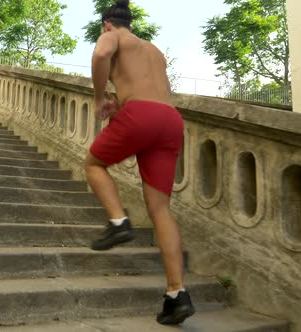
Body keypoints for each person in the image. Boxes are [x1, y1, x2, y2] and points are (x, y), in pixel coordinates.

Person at [86, 0, 195, 325]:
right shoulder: (155, 51)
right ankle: (177, 294)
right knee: (160, 210)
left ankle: (119, 222)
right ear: (130, 22)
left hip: (141, 116)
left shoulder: (113, 36)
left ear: (108, 24)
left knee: (93, 164)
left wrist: (99, 97)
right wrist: (124, 104)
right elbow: (156, 92)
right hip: (170, 121)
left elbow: (100, 55)